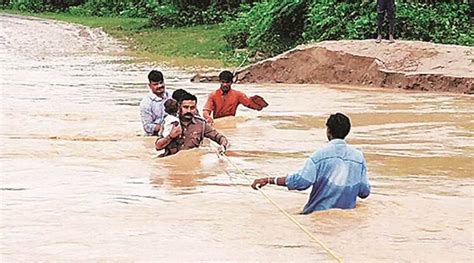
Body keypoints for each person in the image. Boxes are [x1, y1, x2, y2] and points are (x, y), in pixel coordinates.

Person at [251, 113, 370, 214]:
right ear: (347, 131)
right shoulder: (358, 157)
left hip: (318, 216)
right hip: (347, 220)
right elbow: (364, 192)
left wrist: (269, 179)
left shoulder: (319, 155)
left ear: (328, 131)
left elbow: (301, 182)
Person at [155, 92, 229, 157]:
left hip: (193, 164)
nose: (189, 111)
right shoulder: (169, 122)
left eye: (192, 108)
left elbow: (220, 138)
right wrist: (170, 137)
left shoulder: (201, 124)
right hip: (171, 163)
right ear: (179, 107)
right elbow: (158, 146)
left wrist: (223, 147)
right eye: (185, 107)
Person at [203, 70, 268, 125]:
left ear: (231, 82)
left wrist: (258, 104)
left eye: (227, 82)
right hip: (218, 123)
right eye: (223, 82)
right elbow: (206, 111)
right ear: (220, 82)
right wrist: (208, 118)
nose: (225, 85)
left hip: (231, 123)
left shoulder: (238, 95)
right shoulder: (213, 95)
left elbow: (250, 104)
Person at [139, 70, 169, 136]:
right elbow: (147, 127)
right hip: (155, 135)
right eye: (156, 84)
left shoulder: (171, 97)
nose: (159, 86)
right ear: (150, 86)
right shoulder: (146, 103)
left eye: (161, 83)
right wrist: (166, 127)